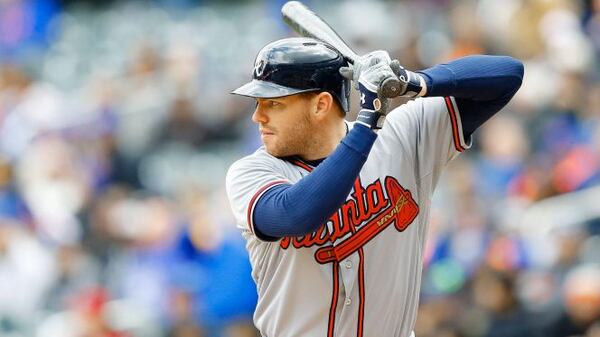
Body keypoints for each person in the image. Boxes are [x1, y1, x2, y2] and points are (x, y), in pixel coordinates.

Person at [225, 37, 523, 337]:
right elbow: (294, 215)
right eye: (258, 103)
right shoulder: (252, 172)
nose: (257, 116)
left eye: (273, 104)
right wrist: (368, 121)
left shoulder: (402, 136)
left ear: (321, 105)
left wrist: (412, 81)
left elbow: (508, 74)